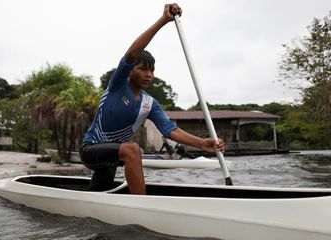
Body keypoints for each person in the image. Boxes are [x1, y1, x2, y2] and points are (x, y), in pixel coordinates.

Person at [80, 3, 225, 195]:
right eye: (143, 68)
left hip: (112, 155)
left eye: (152, 70)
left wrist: (202, 143)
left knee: (98, 194)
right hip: (91, 149)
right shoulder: (118, 85)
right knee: (132, 149)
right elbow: (131, 54)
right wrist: (164, 20)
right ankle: (142, 205)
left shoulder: (149, 104)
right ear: (131, 71)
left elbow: (171, 130)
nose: (149, 74)